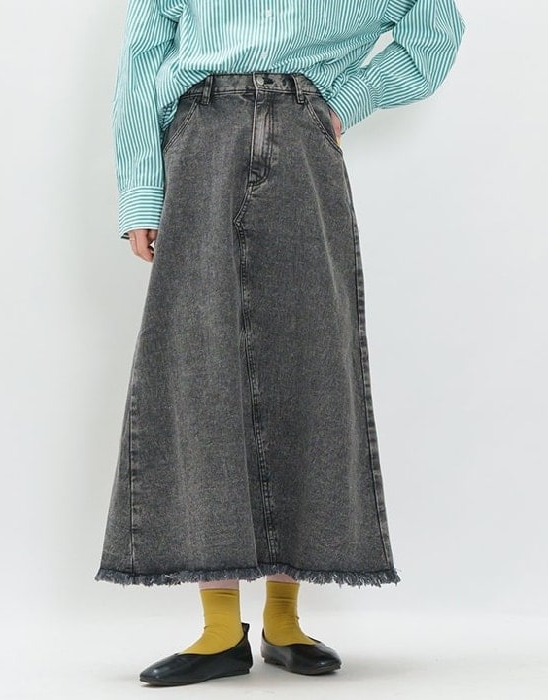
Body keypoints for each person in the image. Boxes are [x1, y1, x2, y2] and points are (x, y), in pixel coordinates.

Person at [95, 0, 465, 687]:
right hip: (200, 136)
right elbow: (142, 59)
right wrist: (141, 190)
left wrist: (348, 97)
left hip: (303, 136)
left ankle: (284, 621)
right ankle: (218, 629)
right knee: (198, 370)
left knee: (308, 364)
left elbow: (434, 26)